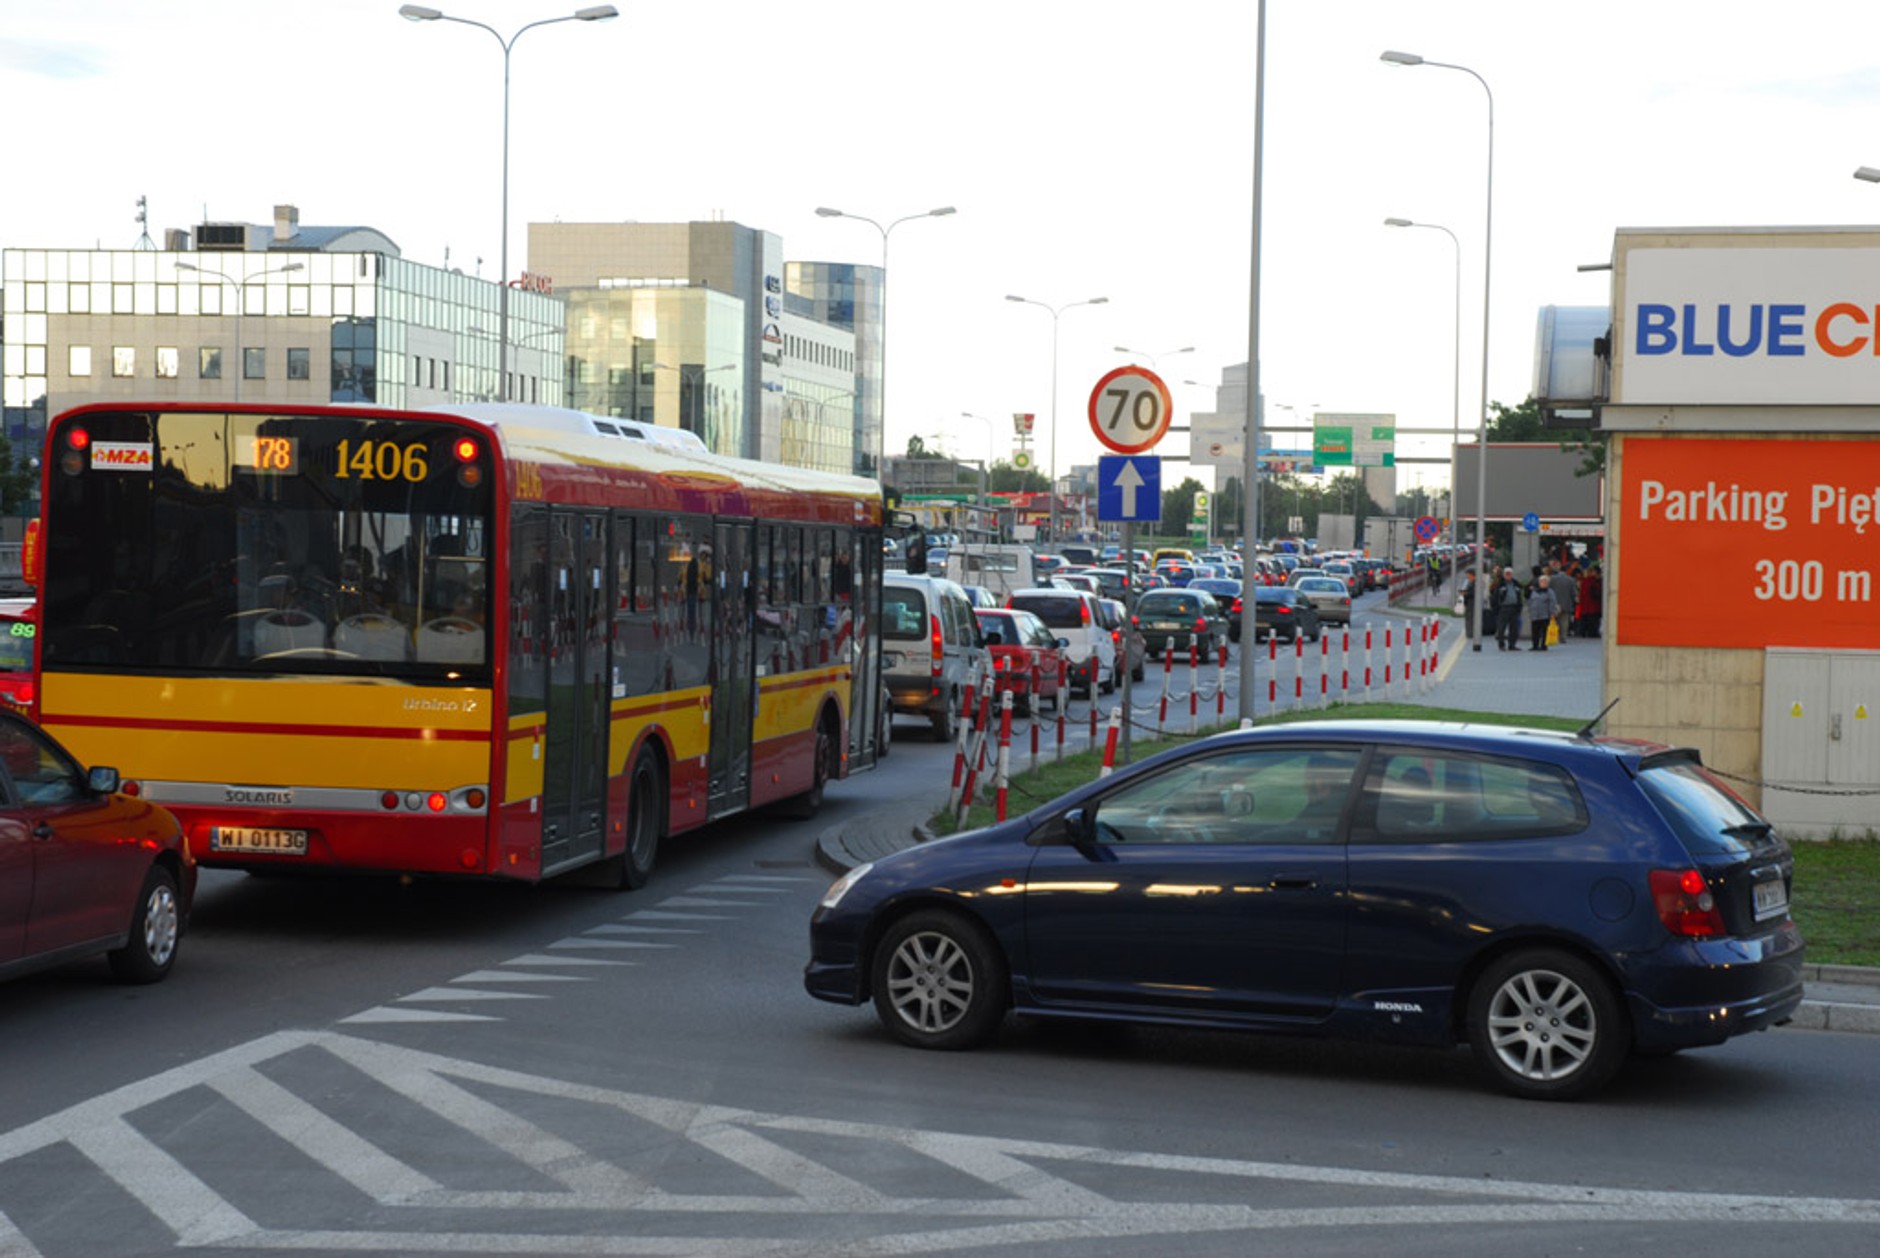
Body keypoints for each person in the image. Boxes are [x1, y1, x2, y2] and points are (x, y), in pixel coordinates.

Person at [1494, 567, 1525, 651]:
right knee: (1502, 627)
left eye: (1510, 574)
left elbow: (1521, 593)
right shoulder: (1500, 585)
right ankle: (1501, 645)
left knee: (1514, 628)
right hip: (1503, 608)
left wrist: (1519, 606)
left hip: (1514, 608)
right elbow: (1495, 597)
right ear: (1504, 575)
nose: (1508, 575)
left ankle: (1512, 645)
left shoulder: (1516, 584)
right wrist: (1496, 608)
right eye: (1506, 574)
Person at [1527, 573, 1558, 652]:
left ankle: (1544, 645)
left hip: (1545, 615)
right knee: (1535, 631)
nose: (1543, 583)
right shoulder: (1534, 591)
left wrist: (1552, 612)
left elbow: (1552, 602)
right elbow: (1530, 601)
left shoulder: (1550, 592)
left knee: (1544, 631)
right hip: (1535, 615)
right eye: (1542, 582)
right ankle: (1535, 645)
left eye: (1545, 582)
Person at [1549, 563, 1578, 643]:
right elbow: (1574, 593)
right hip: (1566, 603)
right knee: (1564, 621)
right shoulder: (1571, 580)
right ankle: (1563, 637)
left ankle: (1556, 636)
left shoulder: (1552, 579)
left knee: (1554, 620)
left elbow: (1549, 590)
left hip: (1554, 603)